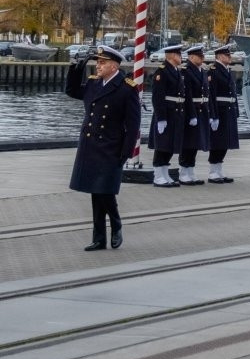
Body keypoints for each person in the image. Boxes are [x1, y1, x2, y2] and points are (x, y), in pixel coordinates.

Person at [65, 45, 140, 251]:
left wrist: (127, 152)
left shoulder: (127, 88)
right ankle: (99, 238)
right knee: (95, 192)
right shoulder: (93, 84)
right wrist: (77, 66)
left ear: (114, 66)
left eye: (103, 63)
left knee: (105, 191)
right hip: (90, 145)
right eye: (97, 62)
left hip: (111, 146)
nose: (98, 66)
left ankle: (116, 224)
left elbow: (133, 125)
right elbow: (71, 90)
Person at [149, 44, 190, 188]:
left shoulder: (176, 71)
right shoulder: (162, 72)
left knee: (171, 145)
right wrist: (161, 118)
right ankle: (158, 176)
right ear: (171, 55)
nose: (181, 57)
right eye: (179, 54)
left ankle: (165, 174)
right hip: (166, 113)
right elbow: (158, 97)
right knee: (162, 146)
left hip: (176, 113)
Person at [177, 44, 211, 185]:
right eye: (200, 56)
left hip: (201, 110)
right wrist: (191, 115)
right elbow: (187, 95)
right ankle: (183, 172)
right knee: (188, 143)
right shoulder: (186, 71)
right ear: (191, 57)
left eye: (203, 56)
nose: (202, 58)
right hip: (191, 110)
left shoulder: (202, 71)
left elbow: (205, 93)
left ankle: (190, 171)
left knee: (196, 142)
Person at [208, 45, 240, 183]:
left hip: (229, 110)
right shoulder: (213, 71)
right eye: (227, 55)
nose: (230, 57)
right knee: (217, 142)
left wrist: (236, 110)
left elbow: (233, 93)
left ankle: (219, 170)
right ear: (219, 56)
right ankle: (213, 172)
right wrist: (213, 115)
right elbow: (211, 95)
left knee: (225, 142)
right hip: (220, 111)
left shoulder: (227, 70)